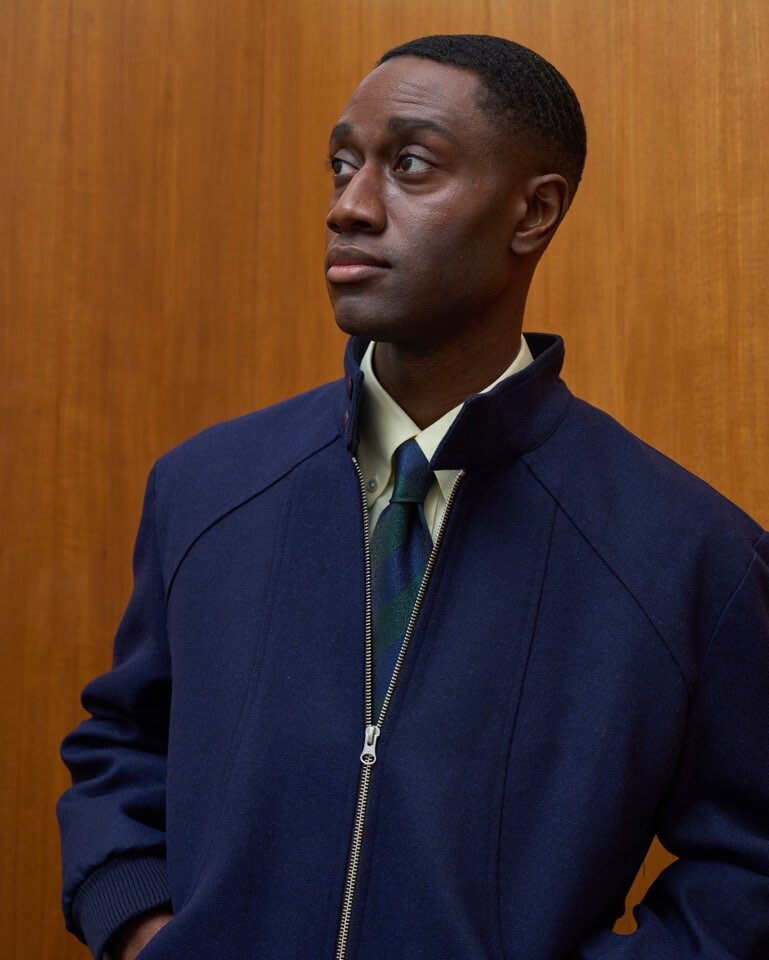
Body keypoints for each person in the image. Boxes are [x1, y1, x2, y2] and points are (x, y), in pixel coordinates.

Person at [58, 34, 769, 960]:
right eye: (342, 164)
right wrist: (142, 927)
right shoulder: (205, 487)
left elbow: (748, 864)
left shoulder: (688, 554)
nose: (348, 207)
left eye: (410, 165)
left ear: (532, 212)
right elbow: (121, 745)